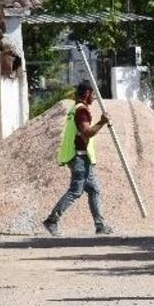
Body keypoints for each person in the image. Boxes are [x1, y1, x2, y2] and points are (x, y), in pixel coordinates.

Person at [42, 80, 114, 236]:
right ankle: (51, 220)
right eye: (93, 94)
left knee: (94, 190)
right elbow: (86, 132)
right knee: (76, 191)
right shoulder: (82, 111)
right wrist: (102, 122)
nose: (94, 98)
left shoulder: (74, 109)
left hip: (81, 157)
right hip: (79, 158)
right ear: (87, 93)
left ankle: (100, 226)